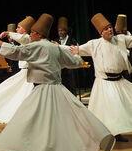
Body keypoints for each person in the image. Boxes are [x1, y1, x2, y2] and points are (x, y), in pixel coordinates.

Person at [0, 13, 115, 151]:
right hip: (58, 91)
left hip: (44, 92)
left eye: (33, 33)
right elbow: (75, 62)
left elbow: (16, 52)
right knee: (61, 127)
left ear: (38, 34)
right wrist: (77, 57)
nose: (31, 35)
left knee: (36, 124)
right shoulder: (54, 47)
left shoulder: (37, 46)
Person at [70, 13, 132, 143]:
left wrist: (126, 32)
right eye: (105, 29)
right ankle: (106, 135)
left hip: (119, 81)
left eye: (110, 27)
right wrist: (57, 47)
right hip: (104, 83)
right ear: (100, 33)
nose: (109, 30)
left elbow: (130, 41)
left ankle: (117, 133)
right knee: (108, 110)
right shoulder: (94, 44)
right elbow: (76, 50)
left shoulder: (120, 39)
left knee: (121, 108)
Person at [0, 16, 35, 124]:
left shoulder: (28, 39)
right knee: (5, 90)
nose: (16, 29)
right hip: (23, 73)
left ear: (24, 30)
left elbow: (22, 39)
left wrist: (8, 33)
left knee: (23, 97)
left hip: (29, 75)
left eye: (19, 27)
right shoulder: (24, 41)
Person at [52, 16, 79, 94]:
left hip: (69, 66)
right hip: (59, 67)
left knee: (70, 85)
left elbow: (73, 51)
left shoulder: (72, 40)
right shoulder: (56, 40)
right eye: (59, 30)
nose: (60, 32)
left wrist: (59, 46)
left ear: (66, 31)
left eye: (62, 30)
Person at [114, 14, 132, 82]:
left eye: (119, 31)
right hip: (121, 69)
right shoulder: (117, 38)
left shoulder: (129, 38)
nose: (118, 33)